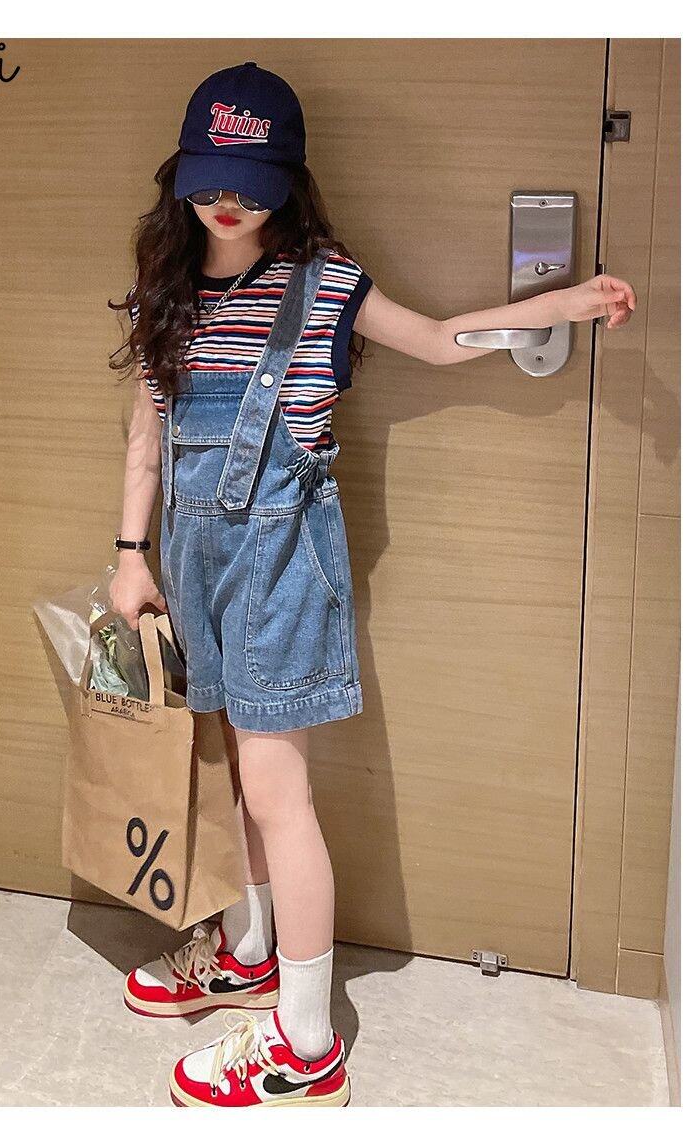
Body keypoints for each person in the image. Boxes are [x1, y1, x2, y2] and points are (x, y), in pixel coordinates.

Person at [107, 61, 636, 1108]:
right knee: (234, 770)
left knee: (279, 792)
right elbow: (146, 434)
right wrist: (131, 554)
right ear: (184, 175)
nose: (229, 203)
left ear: (289, 184)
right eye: (213, 181)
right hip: (194, 562)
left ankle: (305, 1044)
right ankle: (249, 951)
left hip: (281, 566)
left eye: (253, 184)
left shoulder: (326, 282)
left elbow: (436, 341)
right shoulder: (171, 283)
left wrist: (563, 303)